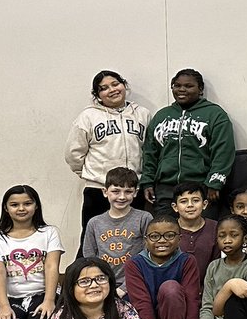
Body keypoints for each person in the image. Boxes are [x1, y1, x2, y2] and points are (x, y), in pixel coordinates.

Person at [66, 70, 150, 244]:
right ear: (97, 95)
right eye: (104, 88)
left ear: (124, 85)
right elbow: (74, 153)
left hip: (133, 190)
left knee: (133, 240)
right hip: (99, 191)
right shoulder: (88, 116)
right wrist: (93, 175)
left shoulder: (142, 114)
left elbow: (149, 149)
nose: (111, 90)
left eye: (115, 84)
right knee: (93, 239)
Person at [140, 68, 235, 214]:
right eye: (177, 86)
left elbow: (223, 151)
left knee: (199, 233)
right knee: (166, 231)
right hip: (166, 189)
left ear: (200, 89)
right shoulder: (162, 116)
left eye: (188, 86)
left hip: (201, 187)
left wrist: (215, 183)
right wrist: (147, 182)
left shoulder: (215, 114)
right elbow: (150, 152)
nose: (181, 89)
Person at [125, 214, 201, 319]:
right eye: (154, 236)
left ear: (179, 238)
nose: (162, 241)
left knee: (170, 288)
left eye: (169, 235)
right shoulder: (134, 264)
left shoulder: (187, 261)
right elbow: (141, 305)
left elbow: (192, 299)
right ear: (145, 239)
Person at [0, 185, 64, 319]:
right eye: (14, 205)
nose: (21, 208)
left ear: (36, 206)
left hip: (42, 295)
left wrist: (49, 301)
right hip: (13, 298)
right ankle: (22, 317)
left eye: (27, 203)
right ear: (6, 208)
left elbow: (51, 267)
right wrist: (3, 306)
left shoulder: (49, 233)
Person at [81, 167, 152, 298]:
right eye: (116, 191)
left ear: (135, 193)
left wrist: (124, 289)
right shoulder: (94, 223)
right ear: (105, 192)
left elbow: (148, 255)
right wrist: (101, 285)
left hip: (136, 284)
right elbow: (89, 257)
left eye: (128, 191)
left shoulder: (144, 218)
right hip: (102, 285)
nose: (122, 197)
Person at [172, 182, 218, 284]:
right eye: (183, 201)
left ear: (204, 204)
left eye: (196, 200)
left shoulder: (216, 228)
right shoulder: (167, 229)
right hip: (174, 289)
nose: (190, 205)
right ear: (175, 207)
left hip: (208, 289)